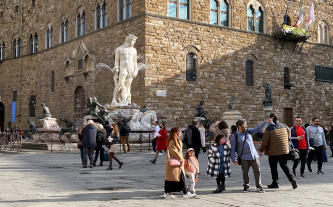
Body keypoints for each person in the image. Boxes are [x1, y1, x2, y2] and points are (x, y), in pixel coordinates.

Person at [230, 118, 272, 193]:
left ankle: (259, 186)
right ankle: (246, 186)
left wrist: (265, 122)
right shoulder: (235, 136)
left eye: (246, 124)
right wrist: (233, 159)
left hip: (254, 156)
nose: (246, 126)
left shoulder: (249, 132)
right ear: (239, 126)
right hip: (244, 157)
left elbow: (258, 128)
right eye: (244, 125)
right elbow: (232, 148)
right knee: (245, 172)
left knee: (257, 171)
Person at [259, 113, 297, 189]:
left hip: (273, 152)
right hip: (283, 150)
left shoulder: (269, 129)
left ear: (271, 118)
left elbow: (265, 142)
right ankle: (292, 179)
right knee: (284, 165)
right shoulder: (284, 126)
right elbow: (289, 135)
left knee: (273, 167)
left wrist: (260, 150)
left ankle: (275, 182)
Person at [164, 127, 196, 199]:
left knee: (179, 178)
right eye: (179, 131)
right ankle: (169, 192)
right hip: (174, 162)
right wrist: (182, 159)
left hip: (178, 163)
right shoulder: (172, 141)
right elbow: (174, 152)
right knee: (173, 178)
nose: (180, 132)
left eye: (180, 131)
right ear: (175, 132)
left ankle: (183, 192)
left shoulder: (178, 140)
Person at [111, 34, 138, 107]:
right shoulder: (119, 49)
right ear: (129, 40)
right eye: (133, 41)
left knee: (128, 85)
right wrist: (116, 67)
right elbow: (116, 60)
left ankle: (127, 100)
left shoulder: (134, 50)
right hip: (123, 68)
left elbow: (135, 61)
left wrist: (136, 70)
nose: (134, 43)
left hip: (131, 68)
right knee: (120, 83)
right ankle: (114, 100)